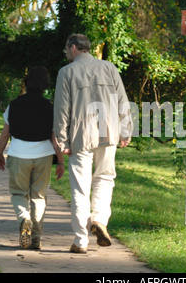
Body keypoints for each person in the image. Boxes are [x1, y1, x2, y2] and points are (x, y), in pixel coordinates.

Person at [54, 34, 132, 254]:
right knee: (105, 178)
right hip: (109, 132)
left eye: (66, 49)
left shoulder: (66, 72)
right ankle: (99, 219)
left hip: (80, 136)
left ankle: (80, 240)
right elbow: (122, 101)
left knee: (80, 187)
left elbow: (61, 109)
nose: (65, 53)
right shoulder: (109, 68)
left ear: (74, 48)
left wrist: (62, 141)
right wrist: (126, 130)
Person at [0, 66, 64, 250]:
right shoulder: (50, 107)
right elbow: (55, 138)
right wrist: (61, 161)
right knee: (39, 197)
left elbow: (5, 134)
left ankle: (23, 218)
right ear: (45, 85)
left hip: (19, 154)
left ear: (26, 83)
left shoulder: (14, 105)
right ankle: (36, 239)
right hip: (44, 155)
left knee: (19, 194)